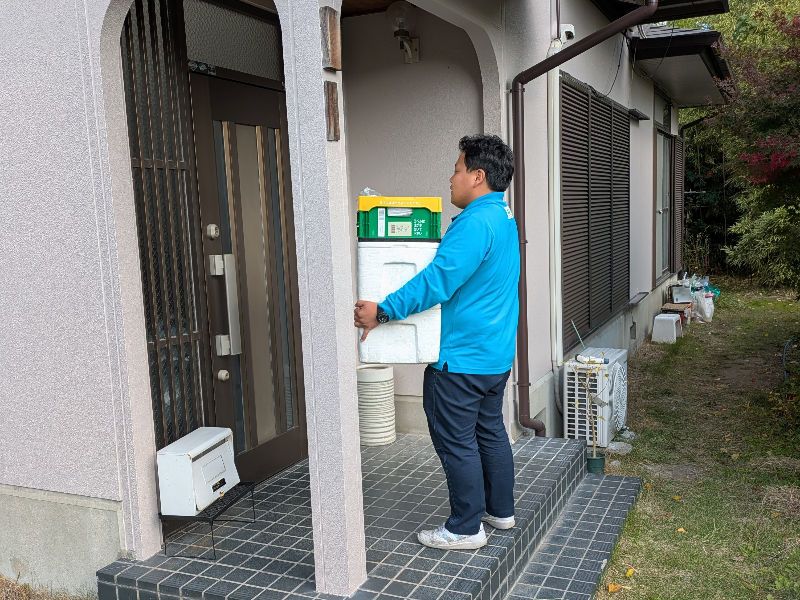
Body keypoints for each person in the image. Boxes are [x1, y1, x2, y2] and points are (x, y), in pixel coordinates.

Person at [353, 134, 520, 550]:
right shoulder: (502, 216)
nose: (451, 177)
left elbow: (437, 281)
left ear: (477, 176)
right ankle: (499, 511)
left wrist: (383, 311)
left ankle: (465, 529)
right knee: (489, 432)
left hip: (462, 359)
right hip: (494, 355)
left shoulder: (475, 223)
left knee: (457, 441)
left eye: (457, 169)